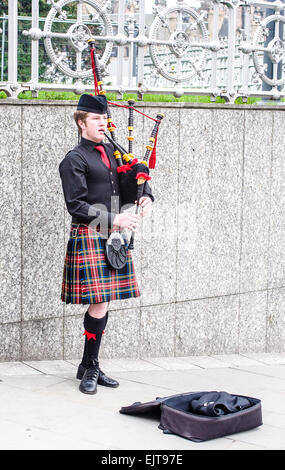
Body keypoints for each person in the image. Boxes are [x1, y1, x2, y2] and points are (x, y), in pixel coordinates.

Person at [59, 94, 154, 394]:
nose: (103, 123)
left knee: (104, 301)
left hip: (112, 236)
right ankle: (91, 366)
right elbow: (76, 206)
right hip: (91, 234)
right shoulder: (74, 159)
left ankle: (87, 366)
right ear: (81, 122)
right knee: (99, 302)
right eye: (96, 119)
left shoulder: (112, 151)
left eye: (104, 118)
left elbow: (132, 176)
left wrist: (144, 193)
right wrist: (117, 220)